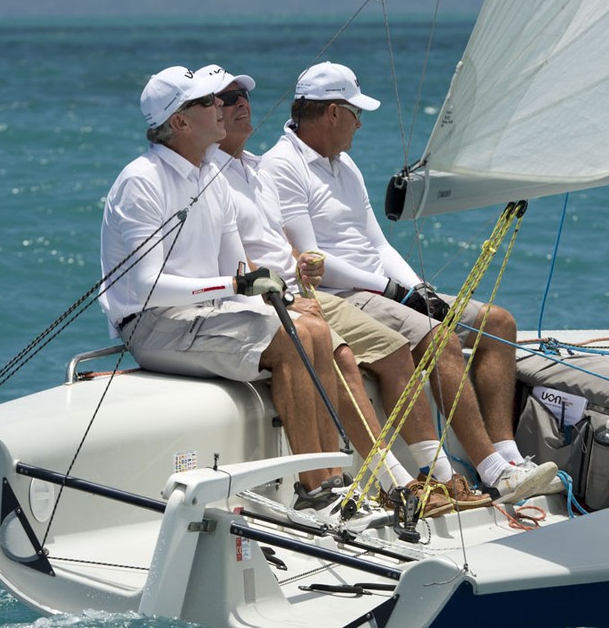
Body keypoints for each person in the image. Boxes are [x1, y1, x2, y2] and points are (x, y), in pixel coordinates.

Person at [258, 61, 559, 503]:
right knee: (440, 339)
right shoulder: (282, 166)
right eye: (356, 113)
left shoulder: (344, 165)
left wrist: (419, 289)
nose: (361, 123)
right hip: (344, 295)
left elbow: (378, 243)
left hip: (383, 288)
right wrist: (393, 292)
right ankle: (492, 472)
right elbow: (312, 260)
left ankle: (508, 455)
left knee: (498, 323)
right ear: (332, 114)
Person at [98, 65, 383, 528]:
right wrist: (234, 288)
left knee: (311, 329)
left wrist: (273, 295)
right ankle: (316, 491)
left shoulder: (209, 174)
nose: (221, 108)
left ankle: (334, 481)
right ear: (181, 123)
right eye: (208, 101)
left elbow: (237, 266)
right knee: (292, 342)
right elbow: (146, 285)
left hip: (210, 314)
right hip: (153, 324)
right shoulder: (142, 181)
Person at [200, 63, 490, 517]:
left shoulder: (254, 168)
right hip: (273, 299)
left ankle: (436, 475)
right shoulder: (220, 174)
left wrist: (306, 266)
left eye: (244, 97)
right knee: (348, 357)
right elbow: (234, 260)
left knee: (398, 350)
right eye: (227, 100)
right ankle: (393, 484)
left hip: (303, 290)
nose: (241, 106)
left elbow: (289, 245)